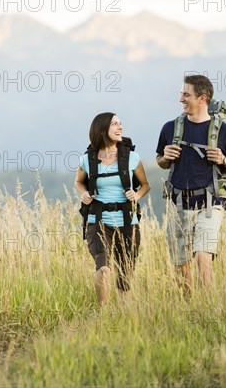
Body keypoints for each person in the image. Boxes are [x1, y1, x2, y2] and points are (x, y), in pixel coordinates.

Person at [156, 75, 226, 296]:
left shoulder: (225, 132)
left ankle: (210, 312)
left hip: (210, 204)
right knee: (181, 265)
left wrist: (224, 160)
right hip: (178, 203)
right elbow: (160, 161)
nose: (181, 98)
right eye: (181, 93)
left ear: (202, 98)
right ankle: (187, 310)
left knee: (202, 256)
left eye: (186, 94)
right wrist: (166, 158)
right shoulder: (170, 128)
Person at [75, 112, 151, 307]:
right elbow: (79, 182)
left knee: (125, 275)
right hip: (97, 220)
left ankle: (124, 316)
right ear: (102, 130)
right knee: (104, 269)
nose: (120, 128)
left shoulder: (131, 157)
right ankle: (103, 315)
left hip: (127, 221)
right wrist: (84, 194)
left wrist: (137, 195)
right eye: (115, 124)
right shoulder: (88, 159)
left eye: (120, 123)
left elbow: (145, 185)